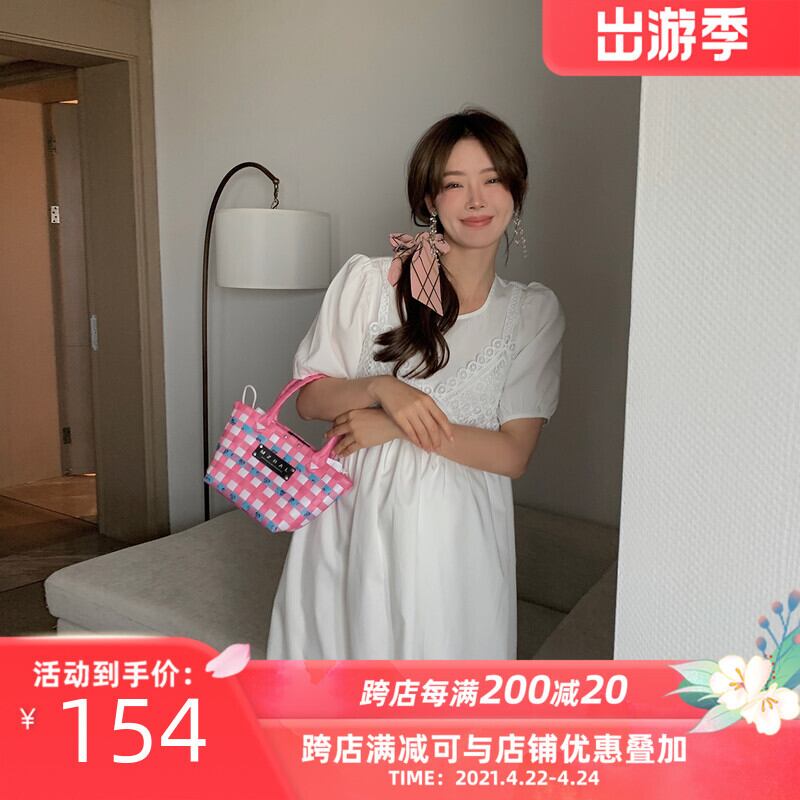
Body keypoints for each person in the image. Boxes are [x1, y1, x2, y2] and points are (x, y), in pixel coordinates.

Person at [266, 107, 565, 660]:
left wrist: (396, 426)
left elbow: (512, 454)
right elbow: (309, 398)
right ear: (430, 200)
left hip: (458, 537)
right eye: (454, 184)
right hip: (352, 523)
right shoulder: (370, 282)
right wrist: (382, 390)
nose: (475, 200)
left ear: (515, 192)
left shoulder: (532, 313)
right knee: (343, 674)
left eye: (492, 180)